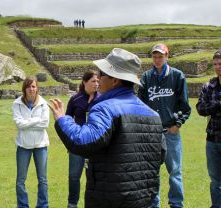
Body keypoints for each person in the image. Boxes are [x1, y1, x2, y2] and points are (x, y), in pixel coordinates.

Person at [49, 48, 165, 208]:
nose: (98, 79)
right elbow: (161, 154)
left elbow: (83, 141)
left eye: (101, 75)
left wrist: (63, 120)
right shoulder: (153, 115)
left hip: (111, 198)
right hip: (144, 198)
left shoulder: (105, 109)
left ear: (115, 80)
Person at [138, 43, 191, 208]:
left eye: (160, 56)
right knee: (152, 172)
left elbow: (185, 106)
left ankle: (176, 204)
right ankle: (154, 204)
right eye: (154, 56)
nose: (157, 59)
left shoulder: (177, 76)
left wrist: (178, 124)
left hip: (170, 132)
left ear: (167, 56)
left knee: (175, 171)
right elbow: (140, 104)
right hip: (152, 132)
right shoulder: (146, 77)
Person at [13, 77, 50, 208]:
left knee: (43, 179)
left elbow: (45, 123)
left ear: (37, 88)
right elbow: (19, 124)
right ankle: (23, 205)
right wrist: (36, 120)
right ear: (24, 88)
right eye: (28, 86)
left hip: (41, 145)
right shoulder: (17, 103)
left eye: (34, 86)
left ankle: (43, 205)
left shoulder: (43, 103)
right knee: (21, 180)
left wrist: (27, 122)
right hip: (23, 146)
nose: (31, 89)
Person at [66, 71, 99, 208]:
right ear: (84, 82)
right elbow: (67, 121)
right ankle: (72, 204)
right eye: (93, 81)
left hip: (96, 145)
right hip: (78, 145)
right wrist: (70, 143)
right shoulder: (75, 99)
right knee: (74, 176)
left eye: (98, 81)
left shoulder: (102, 99)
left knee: (94, 177)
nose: (96, 84)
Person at [196, 50, 221, 208]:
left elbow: (207, 108)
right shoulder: (209, 86)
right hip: (212, 140)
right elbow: (200, 108)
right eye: (216, 64)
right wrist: (218, 105)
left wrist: (212, 108)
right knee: (215, 181)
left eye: (220, 64)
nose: (218, 67)